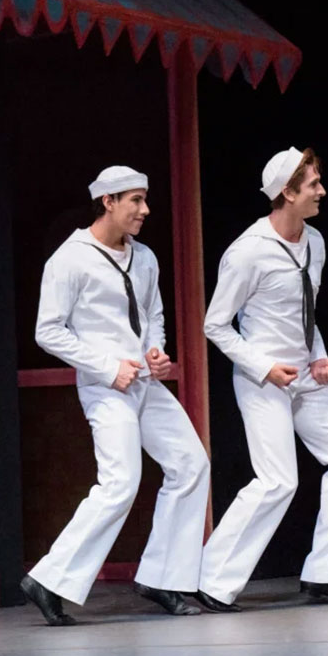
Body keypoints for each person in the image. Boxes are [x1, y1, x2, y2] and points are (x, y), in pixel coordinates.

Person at [19, 165, 211, 625]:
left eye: (145, 199)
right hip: (106, 387)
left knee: (191, 464)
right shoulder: (70, 259)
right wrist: (108, 367)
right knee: (121, 481)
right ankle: (49, 579)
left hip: (145, 382)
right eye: (135, 200)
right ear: (108, 202)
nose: (145, 210)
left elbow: (153, 314)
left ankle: (164, 577)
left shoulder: (144, 257)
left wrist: (156, 352)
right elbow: (48, 331)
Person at [193, 147, 328, 609]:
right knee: (278, 481)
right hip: (262, 379)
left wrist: (320, 357)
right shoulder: (247, 252)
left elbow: (306, 313)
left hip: (305, 376)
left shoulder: (315, 242)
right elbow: (216, 324)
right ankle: (211, 578)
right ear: (287, 193)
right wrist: (264, 367)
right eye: (313, 185)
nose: (322, 191)